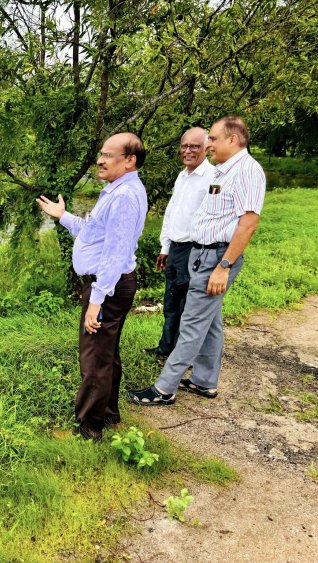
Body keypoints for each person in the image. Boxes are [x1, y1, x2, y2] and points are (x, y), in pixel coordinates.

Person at [128, 116, 265, 406]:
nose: (209, 144)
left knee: (190, 322)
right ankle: (204, 382)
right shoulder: (224, 171)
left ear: (232, 139)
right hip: (202, 254)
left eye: (213, 139)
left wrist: (223, 266)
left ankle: (164, 389)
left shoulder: (248, 171)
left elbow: (248, 223)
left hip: (217, 256)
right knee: (210, 322)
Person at [37, 133, 148, 440]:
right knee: (106, 354)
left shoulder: (124, 197)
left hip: (107, 287)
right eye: (101, 153)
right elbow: (94, 235)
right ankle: (110, 417)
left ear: (129, 161)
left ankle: (89, 430)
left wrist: (97, 300)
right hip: (109, 286)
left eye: (108, 155)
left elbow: (115, 253)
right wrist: (64, 217)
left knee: (95, 359)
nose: (100, 160)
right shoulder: (117, 190)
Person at [144, 128, 214, 366]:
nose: (188, 151)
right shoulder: (182, 175)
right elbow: (172, 213)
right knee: (171, 301)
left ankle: (181, 356)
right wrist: (165, 247)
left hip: (193, 249)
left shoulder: (212, 178)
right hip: (175, 248)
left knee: (186, 305)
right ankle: (165, 348)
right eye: (184, 145)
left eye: (194, 146)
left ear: (207, 148)